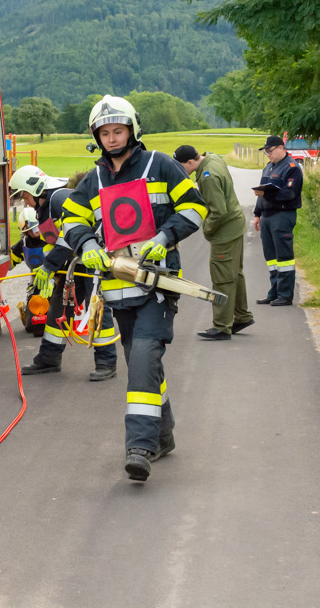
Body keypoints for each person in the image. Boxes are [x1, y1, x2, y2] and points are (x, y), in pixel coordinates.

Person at [62, 95, 208, 482]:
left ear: (133, 130)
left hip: (157, 286)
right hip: (118, 291)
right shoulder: (93, 180)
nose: (112, 138)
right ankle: (164, 435)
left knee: (143, 359)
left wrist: (164, 237)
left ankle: (139, 448)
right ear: (97, 136)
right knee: (144, 366)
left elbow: (195, 207)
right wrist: (86, 243)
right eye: (105, 133)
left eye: (118, 130)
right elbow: (70, 219)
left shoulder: (160, 164)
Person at [9, 166, 118, 381]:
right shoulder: (47, 206)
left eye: (25, 196)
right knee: (59, 306)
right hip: (77, 262)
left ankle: (106, 362)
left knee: (97, 309)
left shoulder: (60, 199)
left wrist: (49, 267)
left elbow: (70, 237)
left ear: (35, 188)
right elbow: (54, 241)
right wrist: (51, 269)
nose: (25, 202)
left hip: (94, 258)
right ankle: (49, 358)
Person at [173, 145, 254, 340]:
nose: (179, 171)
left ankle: (221, 326)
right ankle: (241, 316)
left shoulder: (207, 176)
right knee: (235, 274)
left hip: (225, 232)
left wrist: (207, 229)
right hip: (235, 226)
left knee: (222, 278)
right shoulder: (213, 158)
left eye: (180, 166)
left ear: (190, 162)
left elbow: (218, 211)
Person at [252, 135, 303, 306]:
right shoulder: (268, 167)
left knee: (284, 258)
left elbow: (289, 194)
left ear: (281, 147)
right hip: (266, 216)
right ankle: (274, 292)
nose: (268, 154)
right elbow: (261, 193)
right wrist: (257, 213)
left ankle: (285, 294)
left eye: (270, 151)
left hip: (282, 215)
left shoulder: (292, 168)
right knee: (271, 259)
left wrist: (266, 195)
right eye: (266, 152)